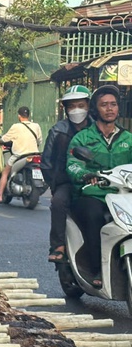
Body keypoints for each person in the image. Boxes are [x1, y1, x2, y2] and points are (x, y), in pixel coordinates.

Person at [66, 85, 132, 288]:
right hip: (94, 194)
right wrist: (85, 174)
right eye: (104, 105)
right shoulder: (82, 138)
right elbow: (73, 164)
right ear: (96, 110)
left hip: (123, 194)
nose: (109, 109)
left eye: (113, 104)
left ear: (118, 109)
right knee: (94, 216)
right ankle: (96, 268)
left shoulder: (128, 139)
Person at [41, 85, 92, 263]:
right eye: (72, 106)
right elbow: (46, 162)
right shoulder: (58, 130)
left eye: (81, 105)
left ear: (88, 106)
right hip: (66, 181)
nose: (77, 110)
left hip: (95, 181)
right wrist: (55, 185)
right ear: (65, 108)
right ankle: (58, 246)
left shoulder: (96, 128)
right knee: (58, 203)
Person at [0, 106, 42, 204]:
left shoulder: (16, 126)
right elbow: (39, 140)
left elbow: (5, 138)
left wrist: (0, 141)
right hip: (34, 154)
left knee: (5, 172)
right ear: (29, 115)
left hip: (19, 155)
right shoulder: (36, 126)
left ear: (19, 116)